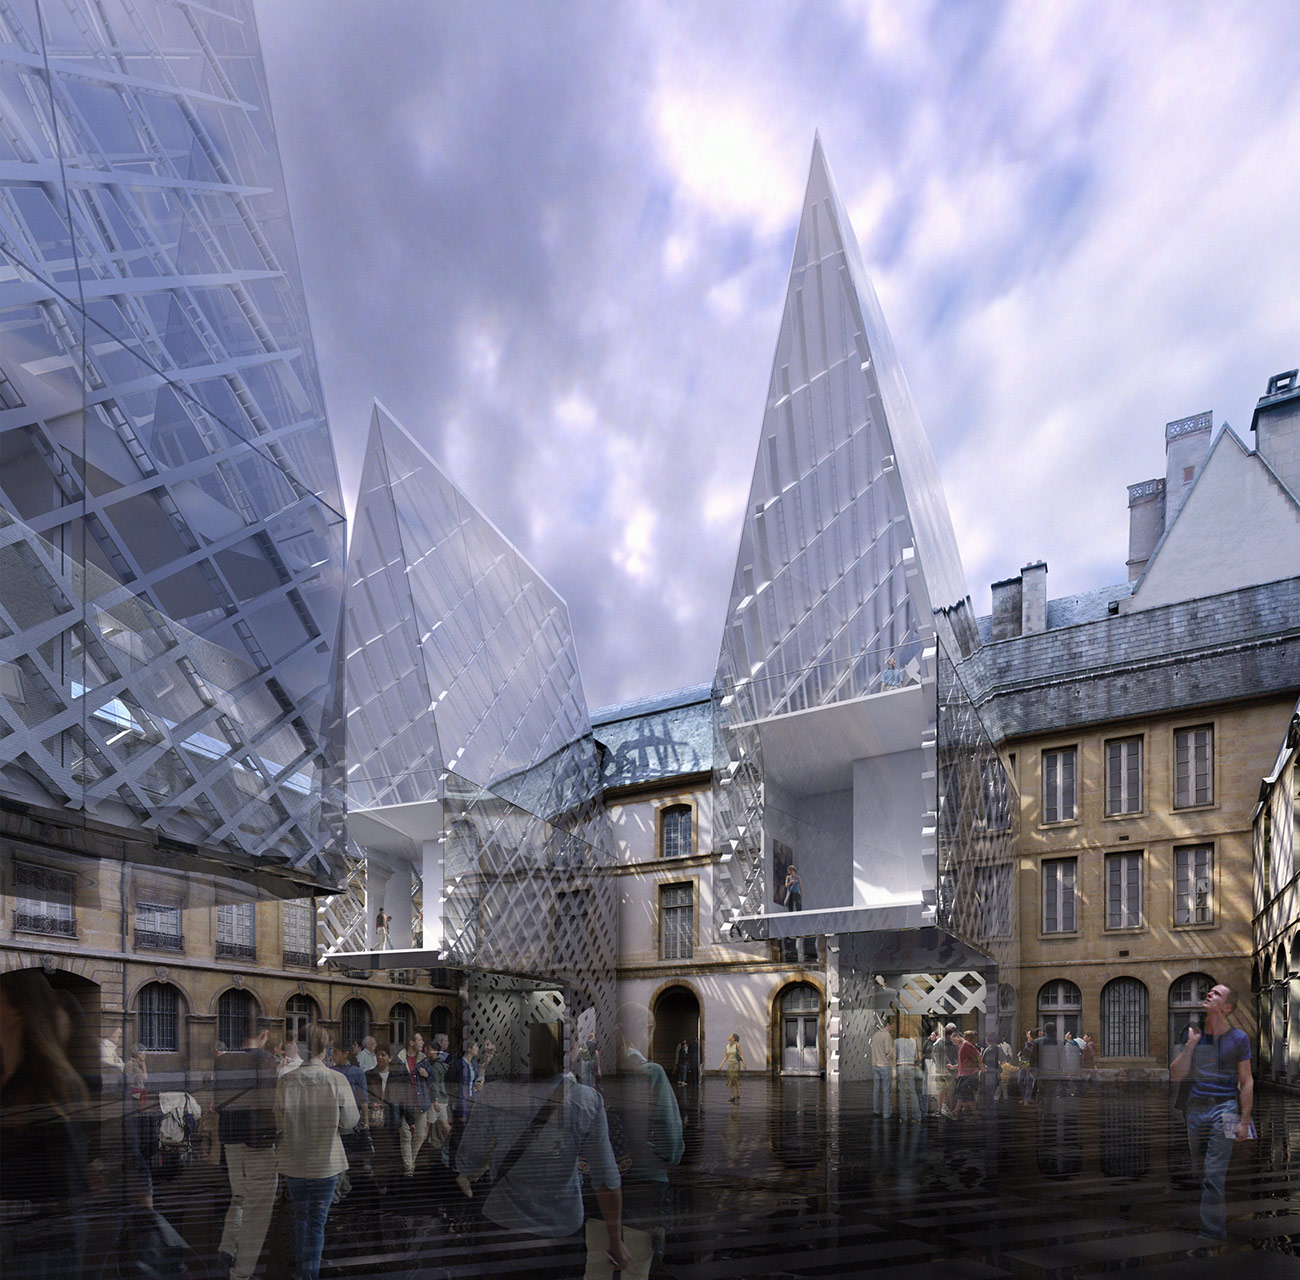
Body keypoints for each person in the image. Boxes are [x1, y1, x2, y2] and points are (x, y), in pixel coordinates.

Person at [456, 1029, 630, 1275]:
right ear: (566, 1053)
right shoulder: (587, 1100)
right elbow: (606, 1179)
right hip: (562, 1228)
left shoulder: (494, 1094)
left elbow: (467, 1160)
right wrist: (615, 1240)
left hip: (501, 1226)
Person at [0, 968, 92, 1280]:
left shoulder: (51, 1086)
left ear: (16, 1010)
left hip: (36, 1234)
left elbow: (62, 1180)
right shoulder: (14, 1082)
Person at [582, 1008, 685, 1280]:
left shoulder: (594, 1075)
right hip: (645, 1189)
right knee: (636, 1270)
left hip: (599, 1185)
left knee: (596, 1268)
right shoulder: (652, 1073)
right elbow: (672, 1146)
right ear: (646, 1030)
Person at [1169, 983, 1254, 1242]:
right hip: (1195, 1109)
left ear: (1226, 1008)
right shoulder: (1192, 1033)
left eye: (1216, 994)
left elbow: (1246, 1080)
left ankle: (1212, 1234)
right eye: (1210, 991)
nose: (1209, 994)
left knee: (1214, 1174)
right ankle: (1211, 1225)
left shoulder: (1239, 1039)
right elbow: (1176, 1074)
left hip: (1225, 1108)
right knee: (1202, 1171)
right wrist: (1190, 1047)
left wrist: (1244, 1121)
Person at [275, 1023, 359, 1280]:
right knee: (317, 1222)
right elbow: (349, 1122)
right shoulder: (337, 1080)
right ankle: (308, 1275)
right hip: (326, 1163)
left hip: (295, 1162)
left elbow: (279, 1123)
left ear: (301, 1046)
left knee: (301, 1218)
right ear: (326, 1048)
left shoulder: (286, 1081)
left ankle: (303, 1272)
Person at [214, 1016, 279, 1280]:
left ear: (242, 1031)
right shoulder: (265, 1059)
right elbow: (267, 1101)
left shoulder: (223, 1060)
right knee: (259, 1207)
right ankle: (241, 1273)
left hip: (230, 1137)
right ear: (264, 1035)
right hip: (257, 1140)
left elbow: (219, 1101)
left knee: (239, 1197)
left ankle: (226, 1247)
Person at [894, 1025, 921, 1123]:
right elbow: (916, 1057)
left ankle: (903, 1117)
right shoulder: (914, 1041)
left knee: (902, 1093)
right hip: (910, 1066)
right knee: (912, 1091)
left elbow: (894, 1056)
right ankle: (917, 1117)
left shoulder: (896, 1041)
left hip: (900, 1066)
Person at [870, 1016, 895, 1118]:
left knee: (876, 1090)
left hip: (875, 1065)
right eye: (892, 1027)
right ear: (887, 1025)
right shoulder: (887, 1035)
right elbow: (887, 1051)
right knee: (886, 1090)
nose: (892, 1029)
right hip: (884, 1065)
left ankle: (876, 1110)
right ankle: (886, 1113)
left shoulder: (875, 1035)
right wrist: (892, 1053)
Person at [955, 1030, 982, 1119]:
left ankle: (974, 1115)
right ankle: (960, 1112)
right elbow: (964, 1061)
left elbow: (977, 1055)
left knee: (968, 1095)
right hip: (964, 1073)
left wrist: (982, 1068)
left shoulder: (967, 1044)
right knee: (964, 1095)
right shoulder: (965, 1045)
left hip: (967, 1074)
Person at [719, 1033, 744, 1104]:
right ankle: (733, 1095)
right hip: (729, 1064)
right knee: (730, 1080)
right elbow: (726, 1057)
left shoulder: (737, 1045)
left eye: (730, 1036)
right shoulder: (727, 1046)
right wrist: (721, 1065)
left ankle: (738, 1094)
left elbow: (741, 1054)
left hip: (736, 1064)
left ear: (733, 1038)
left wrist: (744, 1063)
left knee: (735, 1079)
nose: (729, 1036)